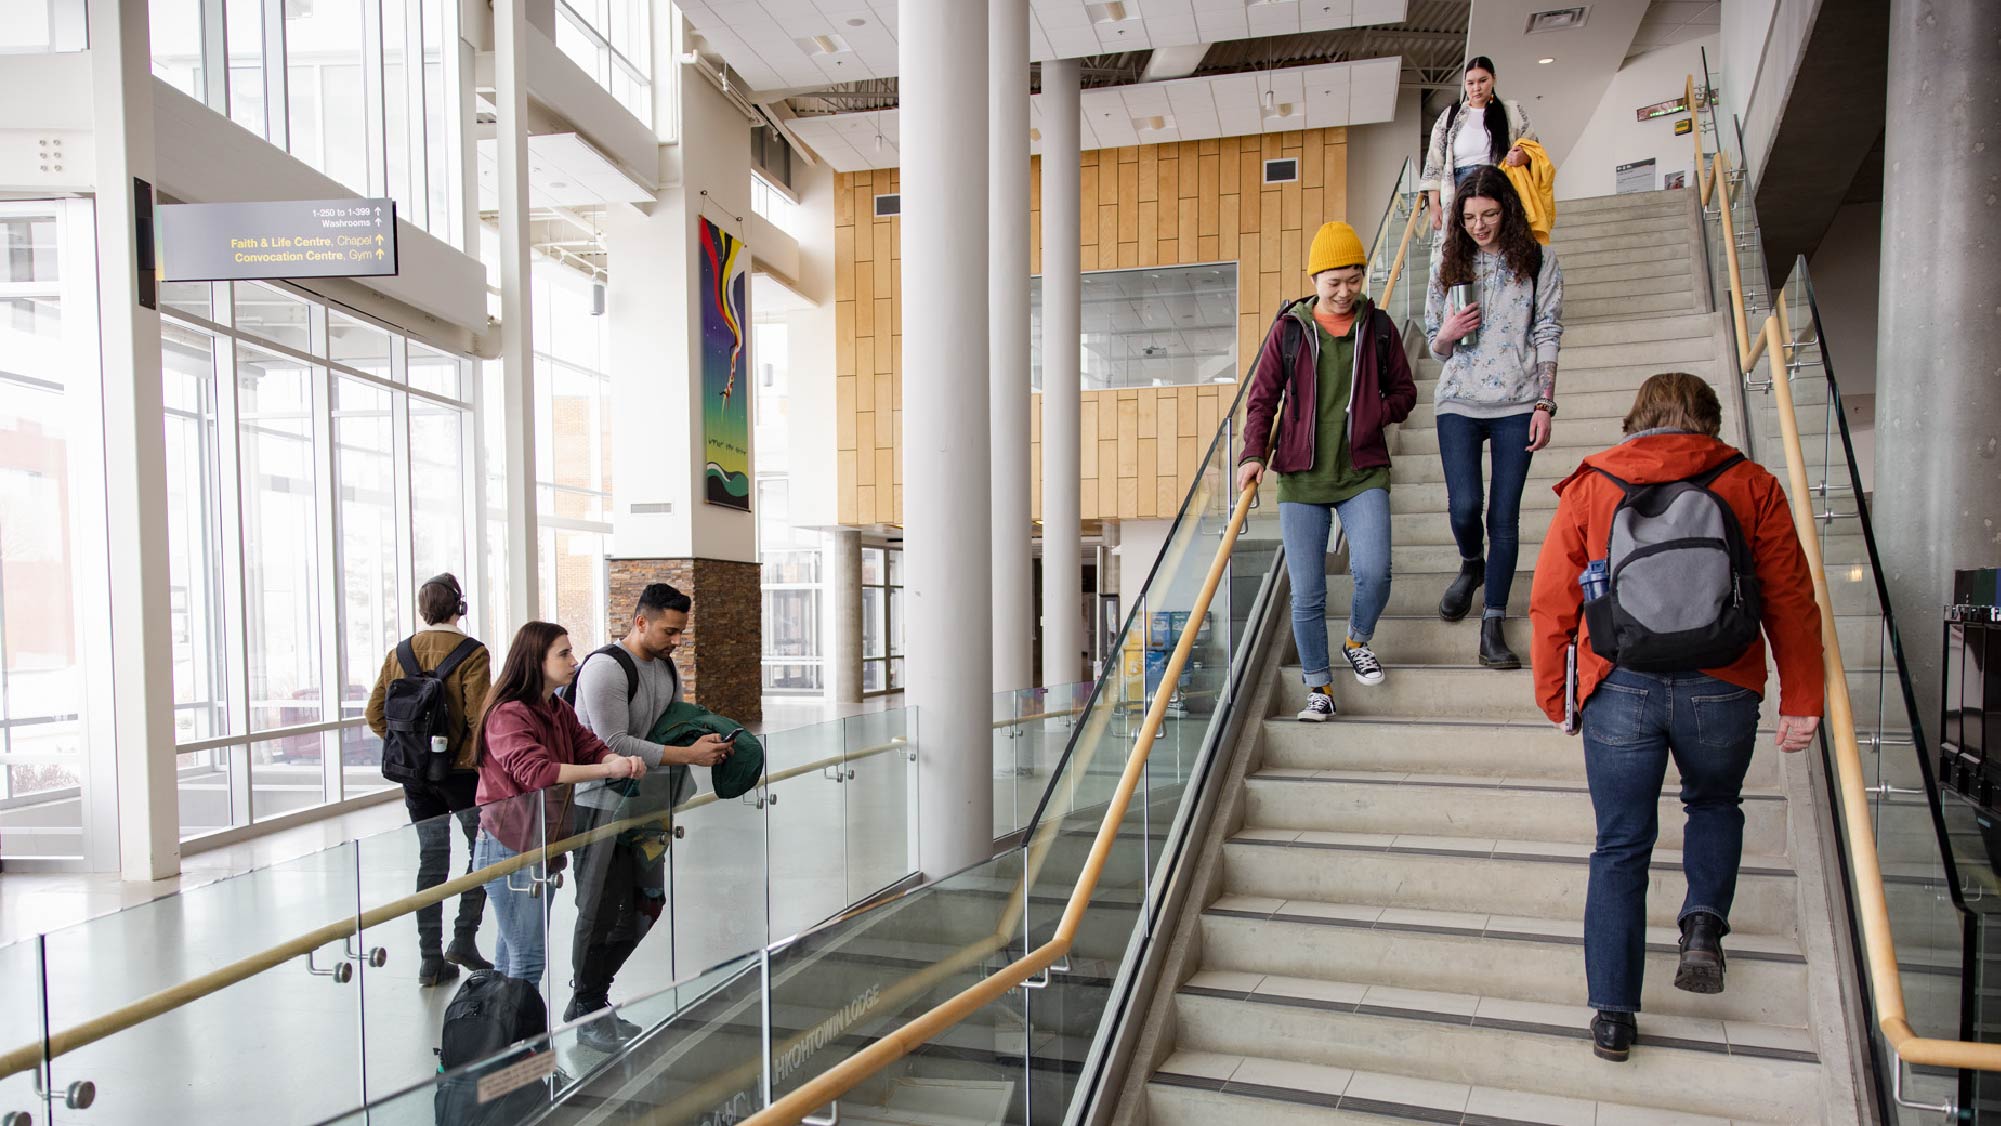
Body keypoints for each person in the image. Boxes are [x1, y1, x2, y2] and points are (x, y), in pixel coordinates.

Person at [1528, 372, 1825, 1063]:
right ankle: (1700, 927)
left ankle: (1612, 1015)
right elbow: (1789, 595)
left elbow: (1551, 600)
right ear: (1711, 420)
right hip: (1722, 683)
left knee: (1619, 847)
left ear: (1636, 417)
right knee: (1715, 802)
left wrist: (1556, 694)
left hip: (1619, 684)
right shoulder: (1749, 482)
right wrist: (1801, 697)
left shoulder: (1593, 483)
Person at [1236, 220, 1418, 721]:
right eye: (1333, 281)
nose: (1344, 292)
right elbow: (1261, 399)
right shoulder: (1289, 331)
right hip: (1301, 475)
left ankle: (1357, 640)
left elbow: (1406, 392)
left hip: (1362, 471)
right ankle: (1319, 687)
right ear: (1315, 279)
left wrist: (1375, 414)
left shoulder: (1379, 328)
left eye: (1354, 279)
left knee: (1375, 572)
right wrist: (1253, 454)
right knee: (1308, 591)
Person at [564, 583, 731, 1051]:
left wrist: (713, 741)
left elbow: (673, 723)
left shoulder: (665, 666)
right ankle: (586, 1005)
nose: (676, 640)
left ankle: (594, 996)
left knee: (646, 906)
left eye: (681, 632)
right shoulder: (604, 670)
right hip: (599, 807)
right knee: (600, 911)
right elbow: (613, 744)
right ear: (640, 621)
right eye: (669, 630)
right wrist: (687, 756)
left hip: (646, 807)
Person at [1424, 166, 1563, 667]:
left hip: (1518, 401)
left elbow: (1547, 330)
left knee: (1503, 517)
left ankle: (1493, 623)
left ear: (1508, 211)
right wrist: (1448, 331)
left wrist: (1545, 402)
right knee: (1464, 508)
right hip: (1459, 399)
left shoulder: (1538, 261)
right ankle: (1470, 565)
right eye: (1469, 217)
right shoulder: (1448, 260)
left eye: (1489, 214)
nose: (1479, 226)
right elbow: (1434, 344)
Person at [471, 622, 647, 987]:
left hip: (541, 844)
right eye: (563, 653)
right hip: (510, 847)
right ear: (535, 661)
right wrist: (605, 767)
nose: (574, 660)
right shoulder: (508, 713)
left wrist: (615, 759)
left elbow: (588, 744)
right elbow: (535, 773)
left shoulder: (555, 707)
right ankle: (526, 1043)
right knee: (528, 958)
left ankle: (504, 1039)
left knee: (512, 957)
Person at [363, 573, 493, 988]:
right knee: (485, 851)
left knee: (431, 860)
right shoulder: (472, 653)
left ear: (423, 610)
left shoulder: (400, 652)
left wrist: (413, 750)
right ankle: (464, 938)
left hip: (415, 776)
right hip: (460, 775)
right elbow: (478, 719)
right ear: (461, 607)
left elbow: (374, 715)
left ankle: (429, 961)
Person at [1421, 56, 1538, 241]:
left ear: (1494, 79)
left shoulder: (1512, 111)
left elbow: (1534, 149)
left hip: (1499, 189)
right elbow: (1434, 163)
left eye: (1483, 81)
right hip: (1458, 190)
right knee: (1460, 249)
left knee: (1503, 245)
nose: (1476, 88)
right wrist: (1435, 205)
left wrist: (1523, 157)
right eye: (1471, 82)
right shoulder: (1450, 116)